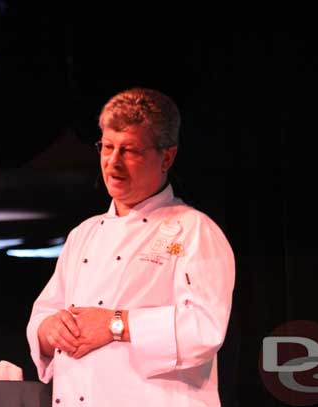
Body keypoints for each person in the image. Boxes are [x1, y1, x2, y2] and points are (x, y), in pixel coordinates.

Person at [26, 88, 235, 406]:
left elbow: (204, 330)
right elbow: (43, 314)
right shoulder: (83, 234)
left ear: (166, 156)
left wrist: (115, 324)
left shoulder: (194, 231)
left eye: (130, 150)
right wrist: (49, 330)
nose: (113, 162)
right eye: (107, 147)